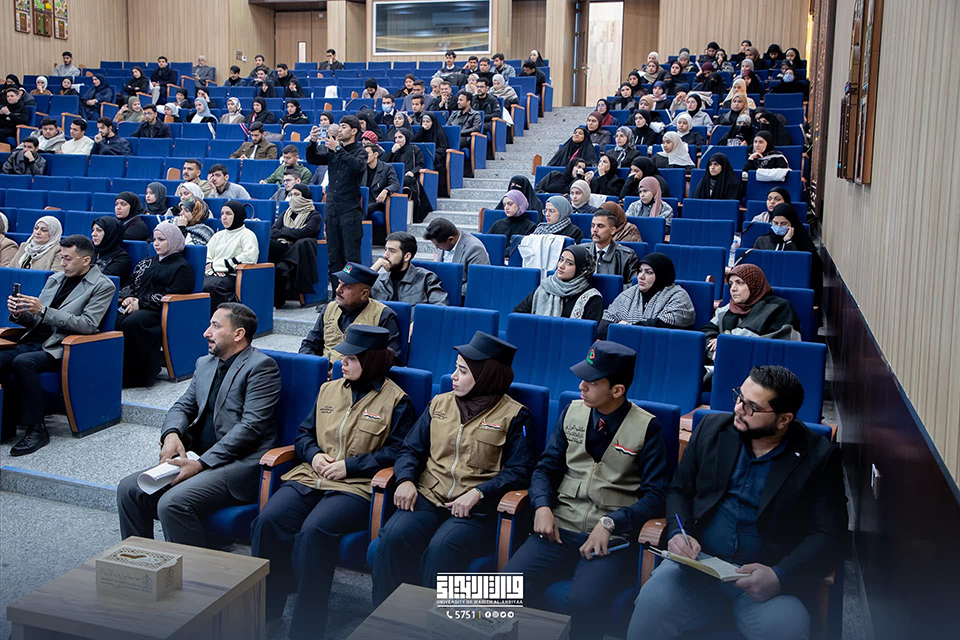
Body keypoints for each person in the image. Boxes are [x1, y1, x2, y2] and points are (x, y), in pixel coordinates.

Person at [628, 366, 847, 640]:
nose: (739, 409)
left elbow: (830, 533)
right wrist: (677, 532)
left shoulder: (819, 457)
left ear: (783, 419)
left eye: (752, 407)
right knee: (652, 604)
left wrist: (780, 575)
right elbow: (679, 490)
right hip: (699, 566)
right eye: (740, 397)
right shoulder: (711, 429)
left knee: (787, 629)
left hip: (767, 578)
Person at [253, 324, 415, 639]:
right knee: (267, 521)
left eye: (351, 359)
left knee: (313, 532)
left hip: (355, 486)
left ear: (370, 360)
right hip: (311, 475)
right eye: (343, 357)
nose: (342, 362)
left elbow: (397, 451)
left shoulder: (397, 400)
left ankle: (307, 629)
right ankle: (268, 613)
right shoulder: (328, 389)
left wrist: (349, 466)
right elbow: (304, 435)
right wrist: (313, 456)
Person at [508, 339, 667, 637]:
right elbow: (545, 469)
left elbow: (656, 496)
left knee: (583, 601)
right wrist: (542, 505)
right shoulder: (572, 412)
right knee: (508, 585)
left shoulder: (648, 428)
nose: (581, 386)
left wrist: (612, 522)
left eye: (592, 382)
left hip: (608, 539)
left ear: (617, 390)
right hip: (559, 528)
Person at [372, 331, 533, 604]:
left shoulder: (514, 414)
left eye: (463, 371)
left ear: (486, 375)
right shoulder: (440, 403)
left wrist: (480, 493)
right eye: (455, 368)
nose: (453, 377)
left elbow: (520, 470)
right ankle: (386, 619)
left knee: (442, 549)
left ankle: (434, 623)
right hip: (428, 495)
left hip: (475, 510)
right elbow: (410, 449)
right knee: (393, 537)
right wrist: (406, 480)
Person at [117, 303, 282, 548]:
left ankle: (193, 570)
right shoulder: (205, 363)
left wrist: (201, 463)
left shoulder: (261, 368)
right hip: (197, 455)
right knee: (129, 489)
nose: (206, 332)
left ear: (238, 334)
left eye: (215, 326)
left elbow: (250, 427)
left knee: (172, 503)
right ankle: (139, 561)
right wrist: (172, 434)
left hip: (237, 465)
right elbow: (183, 406)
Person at [1, 235, 115, 453]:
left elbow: (88, 324)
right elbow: (37, 319)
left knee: (23, 362)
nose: (62, 263)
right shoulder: (55, 279)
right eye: (61, 257)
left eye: (67, 259)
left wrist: (44, 311)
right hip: (34, 341)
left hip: (62, 347)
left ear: (85, 260)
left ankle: (37, 430)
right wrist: (20, 314)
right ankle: (5, 424)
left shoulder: (102, 286)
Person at [115, 222, 195, 387]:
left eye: (161, 240)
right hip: (137, 305)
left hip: (162, 310)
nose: (156, 244)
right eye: (154, 240)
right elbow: (131, 283)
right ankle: (115, 372)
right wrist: (128, 297)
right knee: (115, 318)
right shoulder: (147, 262)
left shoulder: (182, 267)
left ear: (172, 241)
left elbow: (176, 293)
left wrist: (141, 303)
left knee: (133, 323)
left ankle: (138, 376)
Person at [306, 116, 367, 292]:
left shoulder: (360, 151)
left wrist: (338, 149)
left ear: (354, 131)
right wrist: (312, 142)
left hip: (350, 210)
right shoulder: (334, 151)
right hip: (332, 209)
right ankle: (337, 296)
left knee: (351, 257)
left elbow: (358, 166)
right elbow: (313, 159)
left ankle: (352, 295)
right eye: (339, 126)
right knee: (333, 256)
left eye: (344, 126)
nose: (339, 130)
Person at [301, 262, 401, 359]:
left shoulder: (383, 315)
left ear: (364, 294)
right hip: (326, 368)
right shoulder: (329, 308)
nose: (338, 290)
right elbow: (309, 344)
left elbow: (392, 358)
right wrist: (317, 366)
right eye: (339, 283)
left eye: (346, 287)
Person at [702, 264, 801, 363]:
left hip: (762, 366)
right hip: (723, 364)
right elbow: (706, 332)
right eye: (731, 284)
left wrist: (726, 344)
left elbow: (778, 345)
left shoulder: (779, 307)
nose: (733, 289)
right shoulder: (726, 309)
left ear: (754, 284)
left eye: (740, 283)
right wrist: (715, 352)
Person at [599, 252, 695, 338]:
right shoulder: (628, 294)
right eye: (640, 271)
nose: (641, 276)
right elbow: (603, 327)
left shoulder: (678, 296)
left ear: (661, 275)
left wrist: (626, 327)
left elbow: (662, 328)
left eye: (649, 272)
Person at [751, 203, 823, 304]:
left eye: (784, 224)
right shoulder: (761, 241)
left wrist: (789, 242)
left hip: (793, 292)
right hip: (764, 292)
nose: (779, 227)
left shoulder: (801, 244)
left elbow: (799, 268)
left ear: (792, 224)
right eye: (775, 223)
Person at [513, 245, 603, 322]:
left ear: (582, 269)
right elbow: (518, 315)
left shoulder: (592, 298)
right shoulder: (546, 286)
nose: (561, 266)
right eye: (561, 260)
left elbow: (588, 332)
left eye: (569, 263)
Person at [269, 184, 323, 308]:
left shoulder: (314, 215)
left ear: (305, 196)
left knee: (281, 265)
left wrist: (284, 231)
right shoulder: (286, 213)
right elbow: (273, 231)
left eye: (297, 194)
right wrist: (290, 233)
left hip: (297, 250)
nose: (293, 197)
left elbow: (305, 232)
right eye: (292, 194)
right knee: (267, 245)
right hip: (283, 246)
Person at [203, 201, 259, 312]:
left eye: (228, 214)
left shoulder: (248, 235)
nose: (224, 217)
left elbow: (249, 257)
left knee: (211, 287)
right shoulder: (218, 235)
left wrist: (217, 266)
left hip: (233, 275)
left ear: (238, 215)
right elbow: (206, 255)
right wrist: (213, 269)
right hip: (213, 273)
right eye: (222, 213)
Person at [371, 232, 448, 306]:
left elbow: (439, 307)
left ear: (407, 256)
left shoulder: (426, 279)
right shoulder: (378, 281)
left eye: (392, 251)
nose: (385, 255)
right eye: (386, 250)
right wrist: (372, 270)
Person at [424, 217, 491, 297]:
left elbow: (477, 283)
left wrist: (448, 292)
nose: (437, 248)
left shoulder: (474, 249)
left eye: (438, 245)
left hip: (462, 297)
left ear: (451, 239)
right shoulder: (444, 241)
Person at [385, 127, 431, 223]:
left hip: (409, 176)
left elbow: (420, 165)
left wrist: (412, 172)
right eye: (396, 138)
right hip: (395, 177)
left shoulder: (414, 149)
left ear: (406, 137)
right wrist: (392, 152)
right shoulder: (395, 151)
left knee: (406, 181)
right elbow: (385, 165)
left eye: (400, 137)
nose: (397, 140)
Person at [585, 209, 640, 285]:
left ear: (612, 230)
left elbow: (633, 286)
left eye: (600, 226)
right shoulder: (581, 252)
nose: (594, 230)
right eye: (593, 226)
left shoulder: (627, 256)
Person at [360, 140, 400, 243]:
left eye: (367, 153)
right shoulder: (361, 168)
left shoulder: (387, 168)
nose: (365, 156)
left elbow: (395, 185)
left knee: (360, 210)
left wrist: (386, 190)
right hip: (364, 201)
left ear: (376, 154)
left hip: (379, 202)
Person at [489, 188, 537, 259]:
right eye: (504, 205)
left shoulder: (530, 226)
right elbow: (488, 243)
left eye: (510, 204)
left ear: (520, 204)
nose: (506, 208)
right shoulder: (498, 224)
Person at [413, 112, 450, 196]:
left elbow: (443, 148)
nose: (425, 124)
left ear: (432, 123)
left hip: (435, 158)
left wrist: (432, 151)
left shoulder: (439, 132)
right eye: (423, 122)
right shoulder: (421, 132)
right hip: (420, 158)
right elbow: (414, 142)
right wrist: (421, 130)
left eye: (428, 122)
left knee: (438, 167)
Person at [91, 216, 132, 284]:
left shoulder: (122, 259)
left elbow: (102, 282)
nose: (93, 234)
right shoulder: (90, 251)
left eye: (99, 230)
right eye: (93, 230)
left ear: (110, 233)